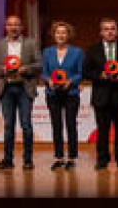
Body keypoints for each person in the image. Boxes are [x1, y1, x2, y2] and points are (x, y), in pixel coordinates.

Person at [83, 18, 118, 170]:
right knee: (103, 130)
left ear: (117, 31)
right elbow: (86, 71)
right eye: (106, 29)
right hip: (101, 96)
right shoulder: (92, 50)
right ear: (101, 32)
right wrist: (99, 75)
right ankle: (102, 159)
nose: (110, 32)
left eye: (112, 29)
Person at [0, 15, 41, 170]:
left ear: (21, 27)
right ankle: (8, 159)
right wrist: (2, 69)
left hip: (25, 88)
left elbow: (39, 64)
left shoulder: (31, 43)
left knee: (26, 124)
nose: (13, 27)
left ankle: (28, 160)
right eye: (10, 25)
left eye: (16, 25)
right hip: (7, 88)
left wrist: (26, 69)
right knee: (8, 125)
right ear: (6, 27)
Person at [41, 20, 84, 170]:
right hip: (53, 93)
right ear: (54, 35)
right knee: (56, 125)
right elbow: (44, 72)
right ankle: (59, 157)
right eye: (58, 32)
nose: (61, 35)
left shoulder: (77, 52)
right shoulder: (47, 52)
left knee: (71, 124)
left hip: (71, 93)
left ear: (68, 35)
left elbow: (80, 73)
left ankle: (71, 157)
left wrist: (71, 81)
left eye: (64, 33)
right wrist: (48, 80)